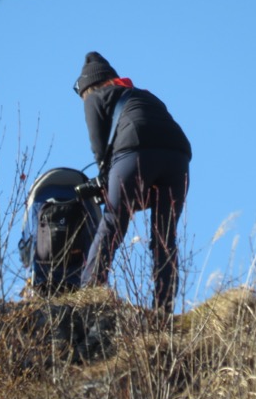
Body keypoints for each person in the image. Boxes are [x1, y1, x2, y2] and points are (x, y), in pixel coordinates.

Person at [73, 52, 192, 313]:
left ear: (89, 86)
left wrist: (104, 181)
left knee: (113, 223)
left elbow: (98, 147)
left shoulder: (94, 97)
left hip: (134, 152)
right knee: (164, 237)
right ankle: (164, 308)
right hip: (179, 157)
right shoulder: (146, 95)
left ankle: (88, 295)